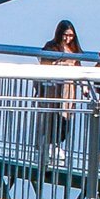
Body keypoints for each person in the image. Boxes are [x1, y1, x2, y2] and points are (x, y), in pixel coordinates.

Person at [38, 20, 86, 156]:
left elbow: (78, 68)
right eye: (65, 35)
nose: (68, 38)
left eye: (71, 36)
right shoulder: (52, 47)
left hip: (68, 89)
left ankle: (57, 144)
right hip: (54, 87)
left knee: (65, 118)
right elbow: (44, 64)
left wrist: (84, 87)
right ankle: (49, 144)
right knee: (53, 115)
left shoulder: (74, 49)